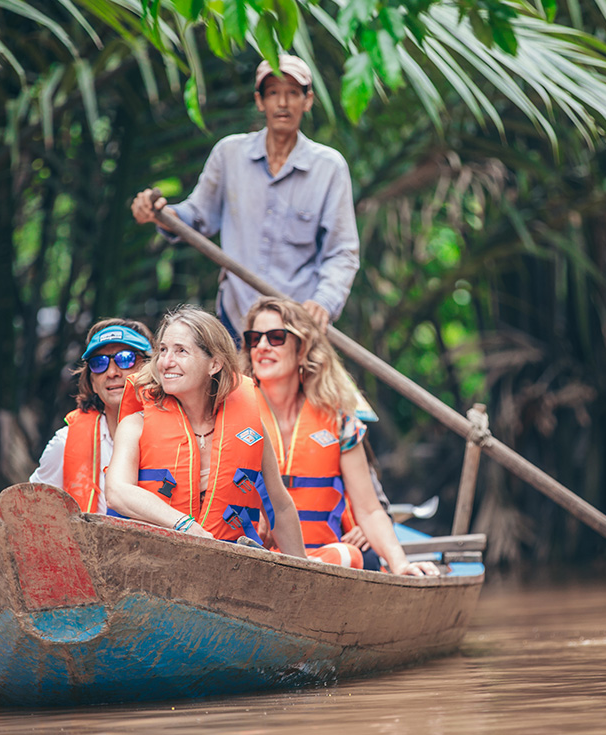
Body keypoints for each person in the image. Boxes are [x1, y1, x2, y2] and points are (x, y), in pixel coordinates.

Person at [131, 53, 359, 337]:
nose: (283, 103)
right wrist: (163, 216)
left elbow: (342, 252)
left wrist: (323, 302)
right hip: (235, 319)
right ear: (260, 101)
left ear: (308, 100)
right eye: (273, 93)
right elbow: (197, 216)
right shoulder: (230, 154)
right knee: (237, 383)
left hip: (295, 329)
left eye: (292, 93)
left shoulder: (329, 167)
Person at [241, 297, 440, 576]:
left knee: (350, 555)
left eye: (276, 337)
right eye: (254, 338)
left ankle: (308, 570)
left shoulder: (338, 420)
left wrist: (400, 564)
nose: (262, 346)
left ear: (302, 349)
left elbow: (370, 511)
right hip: (253, 555)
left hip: (325, 559)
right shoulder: (233, 412)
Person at [105, 304, 306, 558]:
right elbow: (117, 491)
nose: (167, 362)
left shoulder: (251, 430)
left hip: (226, 568)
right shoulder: (135, 425)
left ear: (215, 364)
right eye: (163, 350)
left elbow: (281, 507)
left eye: (181, 351)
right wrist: (185, 526)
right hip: (151, 563)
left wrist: (306, 575)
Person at [29, 318, 154, 514]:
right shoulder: (65, 442)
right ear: (93, 383)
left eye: (126, 358)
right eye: (99, 363)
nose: (112, 372)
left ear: (152, 368)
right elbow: (29, 511)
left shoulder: (185, 435)